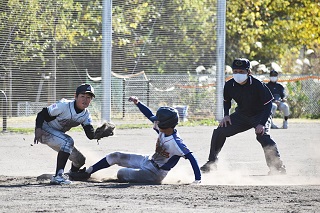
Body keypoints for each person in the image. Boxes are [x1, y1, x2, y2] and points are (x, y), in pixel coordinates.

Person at [69, 96, 201, 184]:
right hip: (148, 160)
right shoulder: (162, 129)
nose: (156, 121)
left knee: (121, 173)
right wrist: (138, 103)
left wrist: (197, 180)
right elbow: (149, 115)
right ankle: (87, 173)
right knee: (115, 155)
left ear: (166, 123)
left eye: (159, 120)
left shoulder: (176, 142)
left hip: (155, 174)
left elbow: (191, 157)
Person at [200, 58, 286, 175]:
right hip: (242, 115)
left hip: (260, 115)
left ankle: (277, 168)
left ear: (248, 72)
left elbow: (268, 105)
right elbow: (226, 101)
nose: (238, 74)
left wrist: (261, 123)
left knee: (263, 136)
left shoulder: (258, 85)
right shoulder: (229, 85)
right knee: (219, 131)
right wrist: (226, 116)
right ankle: (211, 163)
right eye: (235, 71)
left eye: (241, 72)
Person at [34, 83, 96, 185]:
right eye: (82, 96)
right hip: (44, 130)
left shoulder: (86, 114)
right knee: (68, 141)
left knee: (80, 160)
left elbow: (90, 135)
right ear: (75, 96)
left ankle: (72, 174)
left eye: (88, 97)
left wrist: (99, 134)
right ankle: (58, 176)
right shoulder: (64, 105)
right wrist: (38, 128)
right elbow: (42, 113)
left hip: (58, 136)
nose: (85, 100)